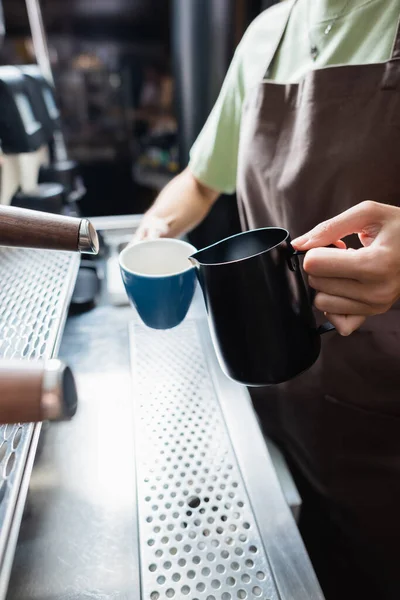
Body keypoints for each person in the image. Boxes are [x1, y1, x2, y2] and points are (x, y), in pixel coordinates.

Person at [135, 2, 400, 598]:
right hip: (278, 402)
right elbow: (203, 179)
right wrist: (154, 229)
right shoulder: (266, 33)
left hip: (387, 426)